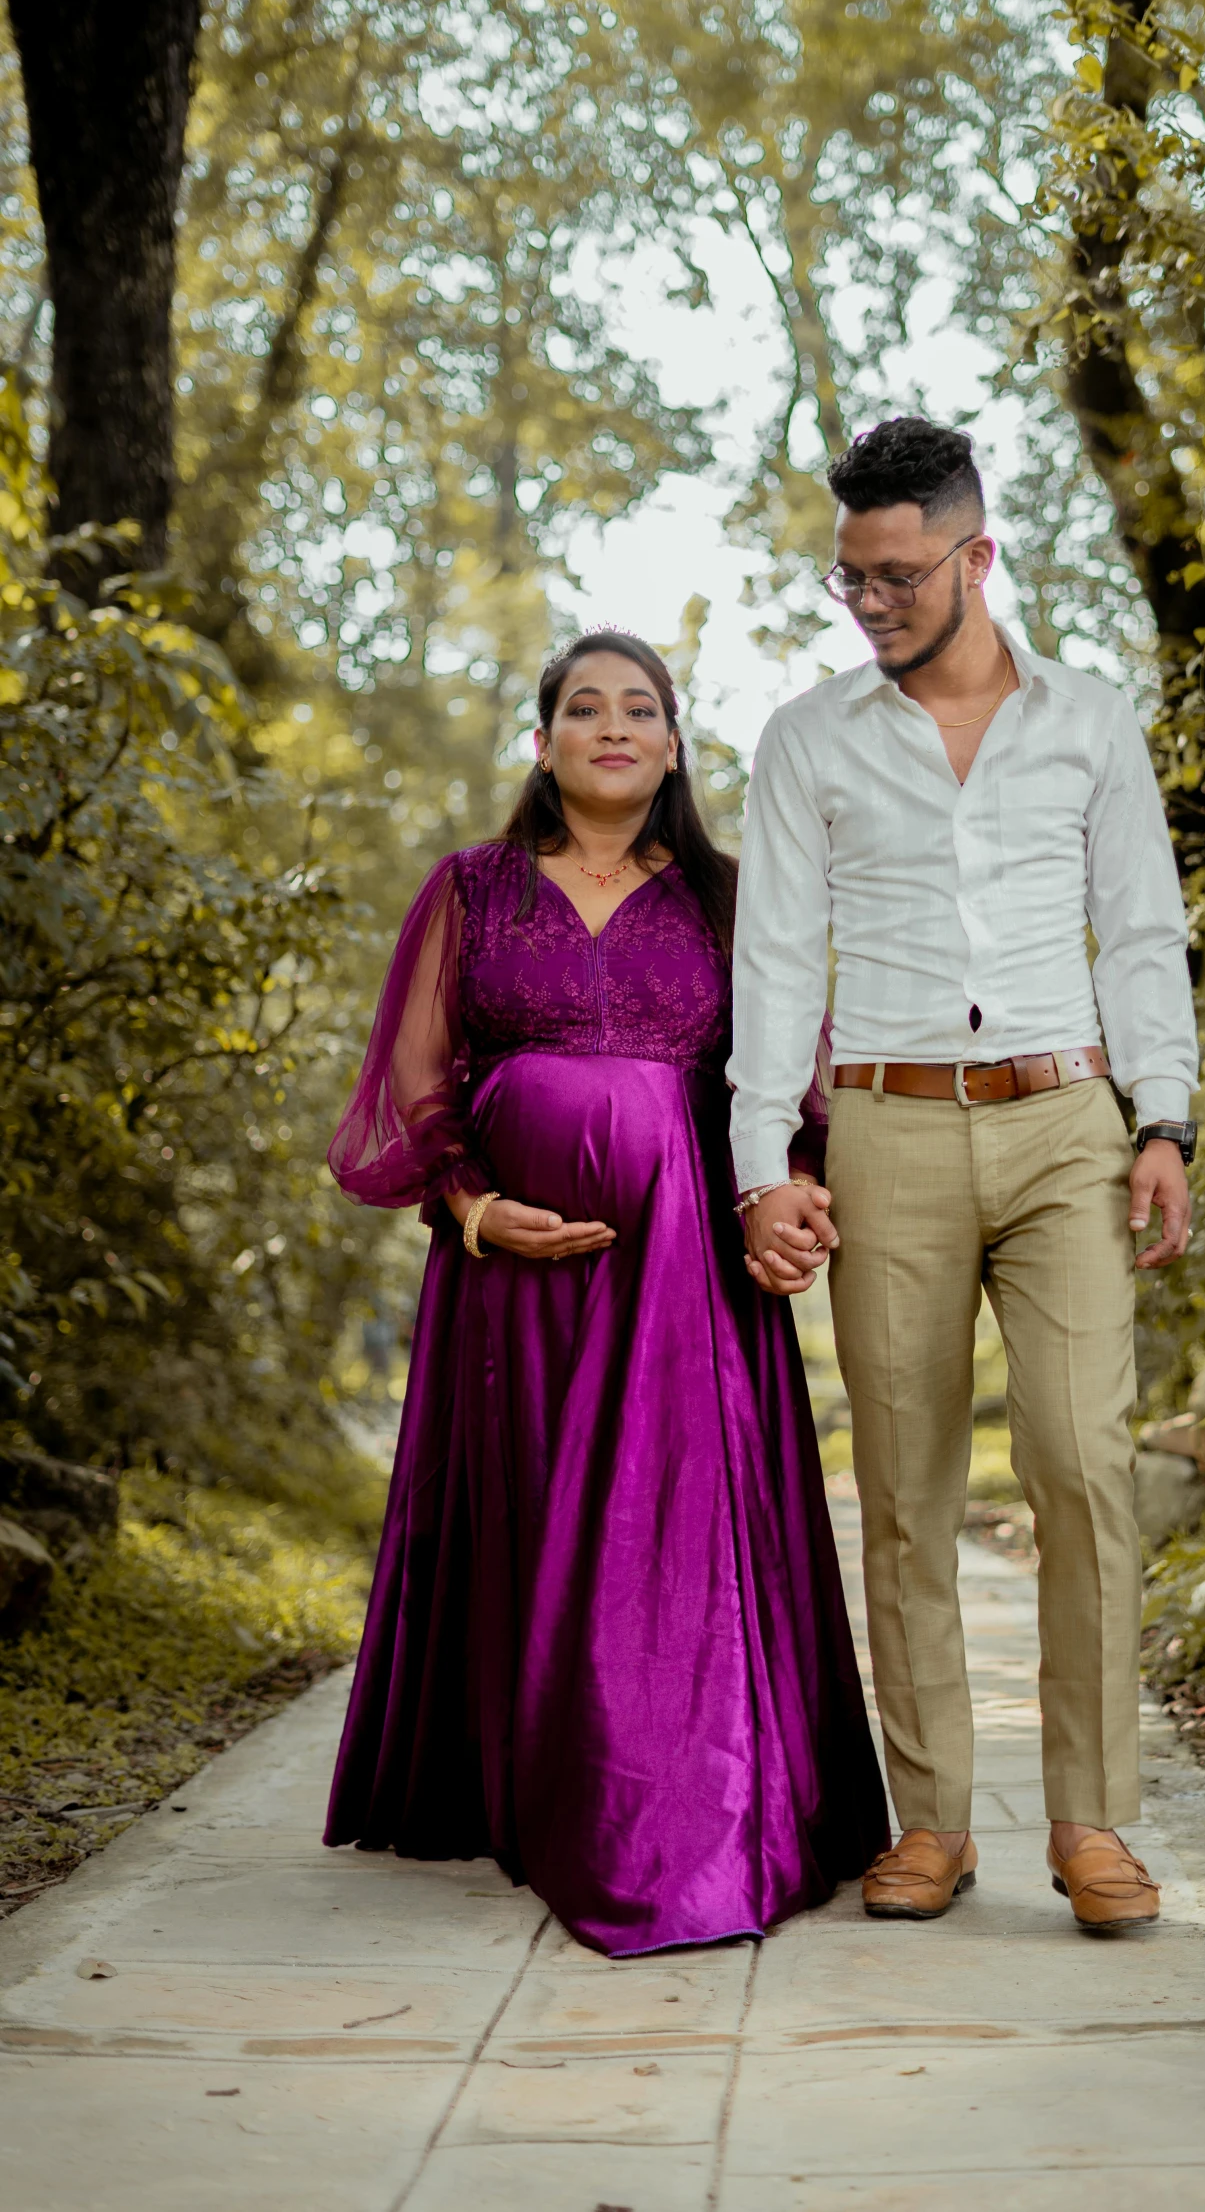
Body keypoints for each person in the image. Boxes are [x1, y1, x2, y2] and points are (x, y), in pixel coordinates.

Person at [324, 629, 888, 1957]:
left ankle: (675, 1804)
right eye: (586, 707)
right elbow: (419, 1081)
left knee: (664, 1532)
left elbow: (791, 1087)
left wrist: (792, 1190)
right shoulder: (470, 887)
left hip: (684, 1280)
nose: (616, 725)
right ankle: (516, 1779)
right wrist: (470, 1209)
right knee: (524, 1514)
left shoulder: (729, 897)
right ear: (544, 741)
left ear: (677, 744)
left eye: (643, 707)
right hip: (510, 1283)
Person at [729, 418, 1199, 1932]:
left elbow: (1138, 928)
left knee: (1079, 1459)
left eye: (896, 573)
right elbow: (773, 965)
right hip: (884, 1128)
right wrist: (760, 1168)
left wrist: (1164, 1121)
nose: (867, 601)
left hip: (1066, 1119)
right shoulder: (806, 739)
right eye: (847, 576)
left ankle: (1090, 1820)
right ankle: (930, 1820)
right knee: (909, 1491)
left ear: (975, 554)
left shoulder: (1088, 720)